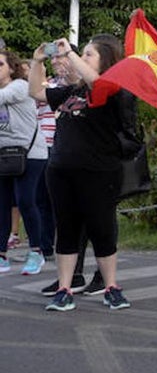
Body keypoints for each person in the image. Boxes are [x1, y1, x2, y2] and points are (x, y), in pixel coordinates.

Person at [29, 35, 134, 311]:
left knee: (102, 229)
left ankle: (111, 287)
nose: (81, 58)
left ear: (105, 61)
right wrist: (37, 61)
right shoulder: (71, 92)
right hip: (62, 170)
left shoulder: (111, 89)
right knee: (66, 229)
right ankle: (64, 288)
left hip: (98, 172)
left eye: (89, 54)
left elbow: (98, 82)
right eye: (83, 53)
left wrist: (70, 53)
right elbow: (37, 93)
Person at [0, 50, 47, 276]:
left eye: (0, 64)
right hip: (4, 156)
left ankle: (36, 252)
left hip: (30, 153)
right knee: (2, 205)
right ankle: (1, 255)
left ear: (11, 68)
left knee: (25, 200)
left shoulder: (19, 86)